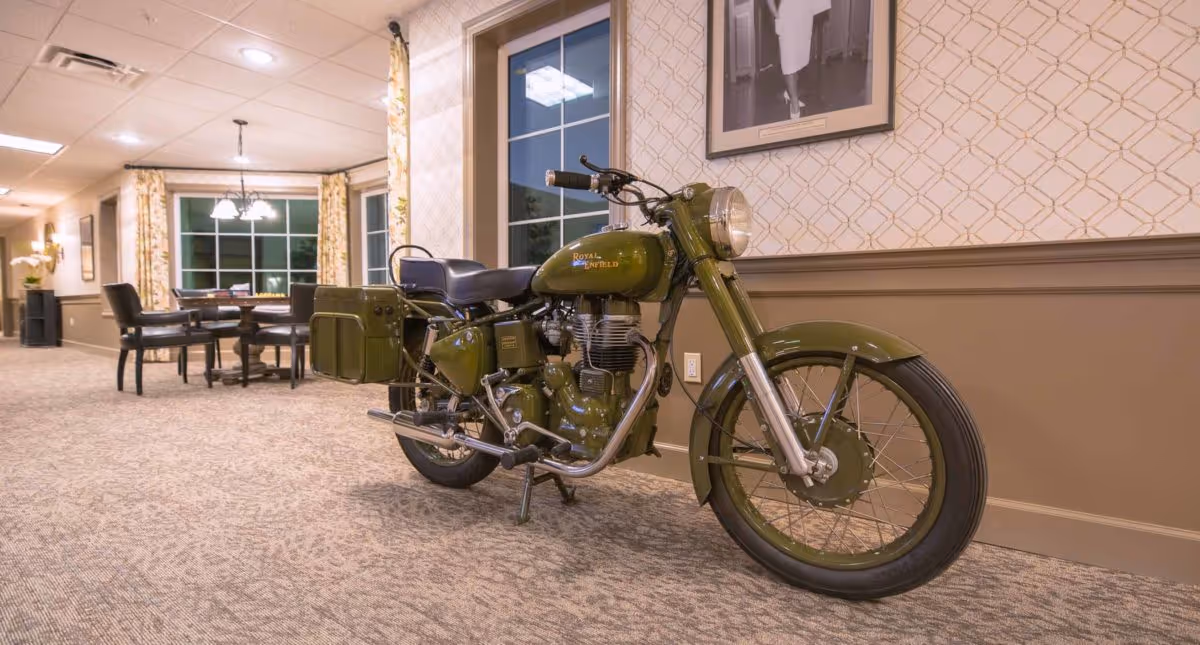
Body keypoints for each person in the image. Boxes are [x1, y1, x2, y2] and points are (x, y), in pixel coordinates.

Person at [765, 0, 831, 120]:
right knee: (788, 61)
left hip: (804, 14)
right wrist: (776, 15)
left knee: (799, 59)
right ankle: (794, 105)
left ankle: (790, 93)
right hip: (787, 15)